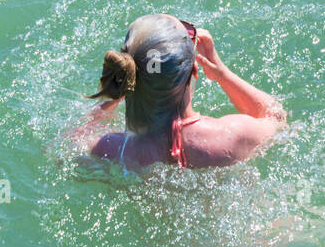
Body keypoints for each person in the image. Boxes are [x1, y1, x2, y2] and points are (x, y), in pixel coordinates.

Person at [62, 14, 285, 171]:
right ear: (195, 71)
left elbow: (64, 149)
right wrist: (222, 73)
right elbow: (276, 117)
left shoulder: (112, 149)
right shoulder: (232, 135)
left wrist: (116, 94)